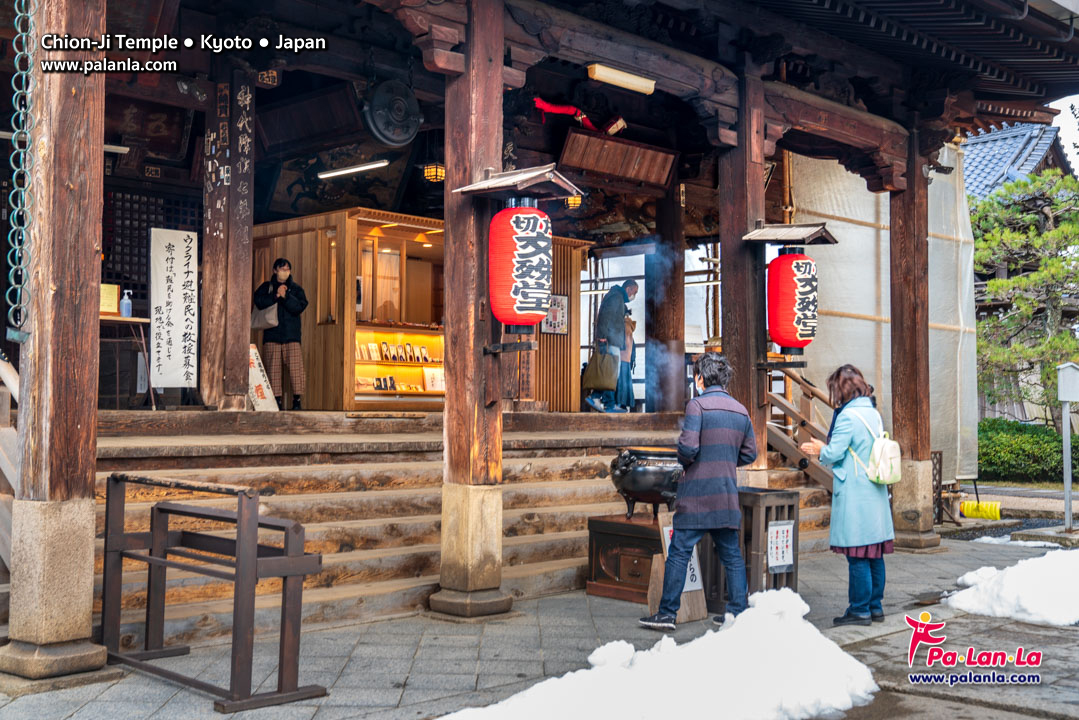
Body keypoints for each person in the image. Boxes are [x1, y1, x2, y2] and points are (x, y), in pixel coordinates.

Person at [639, 352, 756, 631]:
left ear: (701, 377)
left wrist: (686, 457)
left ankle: (667, 614)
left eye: (696, 375)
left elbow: (689, 449)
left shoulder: (697, 406)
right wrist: (726, 461)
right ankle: (739, 611)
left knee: (680, 551)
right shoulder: (741, 410)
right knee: (732, 555)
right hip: (726, 493)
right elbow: (750, 453)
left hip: (697, 495)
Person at [799, 364, 894, 627]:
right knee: (874, 551)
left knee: (857, 554)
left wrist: (820, 448)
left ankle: (860, 609)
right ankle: (875, 606)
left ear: (841, 390)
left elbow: (834, 453)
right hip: (874, 490)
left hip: (855, 492)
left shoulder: (848, 417)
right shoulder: (873, 413)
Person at [254, 258, 309, 410]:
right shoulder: (267, 287)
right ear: (275, 270)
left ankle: (297, 400)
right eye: (282, 269)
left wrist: (285, 296)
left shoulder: (296, 289)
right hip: (272, 335)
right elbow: (258, 302)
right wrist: (276, 296)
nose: (285, 272)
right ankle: (275, 401)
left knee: (296, 369)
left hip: (291, 335)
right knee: (273, 369)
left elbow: (299, 307)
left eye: (287, 269)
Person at [585, 279, 638, 413]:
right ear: (629, 289)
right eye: (635, 292)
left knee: (608, 371)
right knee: (611, 371)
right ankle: (608, 404)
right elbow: (606, 317)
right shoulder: (616, 297)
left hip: (611, 339)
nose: (634, 296)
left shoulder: (615, 296)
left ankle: (597, 397)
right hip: (609, 340)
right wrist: (602, 335)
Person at [614, 308, 636, 411]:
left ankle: (620, 404)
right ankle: (622, 404)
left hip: (621, 356)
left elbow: (621, 342)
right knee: (624, 382)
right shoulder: (629, 325)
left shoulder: (623, 326)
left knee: (621, 382)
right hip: (626, 357)